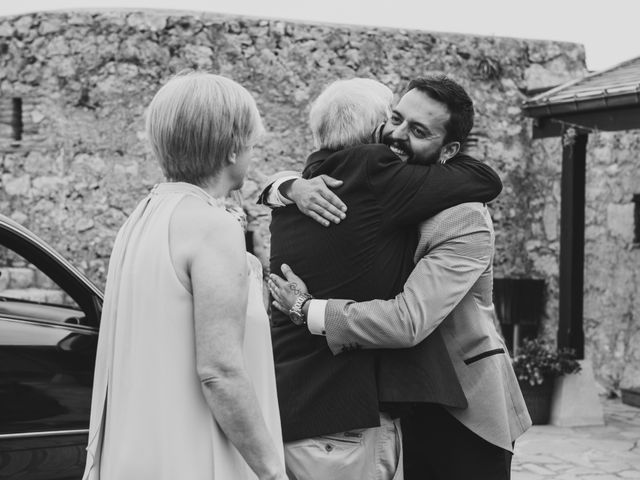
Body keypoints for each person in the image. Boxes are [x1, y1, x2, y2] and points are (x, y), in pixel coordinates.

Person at [268, 76, 532, 480]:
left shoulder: (464, 218)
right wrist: (287, 185)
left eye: (418, 131)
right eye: (395, 119)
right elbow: (324, 162)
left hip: (462, 406)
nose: (396, 135)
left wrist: (306, 309)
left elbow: (408, 321)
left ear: (449, 151)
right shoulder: (376, 188)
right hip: (400, 398)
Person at [83, 72, 286, 480]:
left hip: (140, 454)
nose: (251, 153)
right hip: (194, 456)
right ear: (231, 149)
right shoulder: (211, 226)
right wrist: (273, 471)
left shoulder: (140, 218)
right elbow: (220, 371)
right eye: (250, 143)